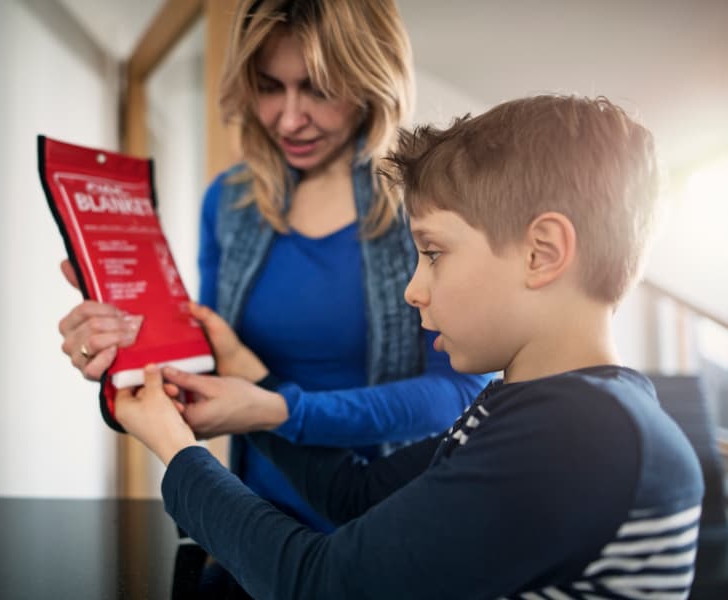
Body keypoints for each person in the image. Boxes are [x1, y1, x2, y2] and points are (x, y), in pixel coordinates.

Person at [113, 95, 704, 599]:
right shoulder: (532, 411)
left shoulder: (583, 435)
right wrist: (255, 392)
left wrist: (175, 447)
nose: (412, 288)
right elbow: (355, 496)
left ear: (541, 252)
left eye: (434, 253)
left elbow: (321, 587)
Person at [57, 0, 489, 532]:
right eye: (267, 86)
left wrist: (282, 410)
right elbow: (214, 362)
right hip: (255, 520)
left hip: (387, 525)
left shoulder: (427, 205)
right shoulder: (231, 202)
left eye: (320, 89)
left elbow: (463, 394)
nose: (289, 118)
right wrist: (127, 345)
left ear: (373, 78)